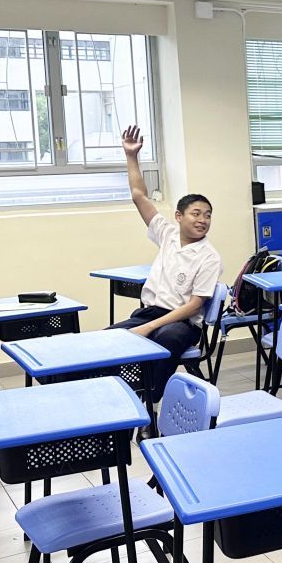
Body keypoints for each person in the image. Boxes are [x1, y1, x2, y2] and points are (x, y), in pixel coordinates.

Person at [112, 125, 224, 401]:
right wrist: (131, 156)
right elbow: (139, 195)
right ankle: (117, 395)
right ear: (178, 216)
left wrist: (149, 328)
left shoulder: (209, 256)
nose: (203, 220)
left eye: (208, 215)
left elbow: (194, 306)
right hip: (149, 312)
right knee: (105, 341)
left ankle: (147, 399)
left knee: (167, 338)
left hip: (182, 322)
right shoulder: (167, 234)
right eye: (196, 213)